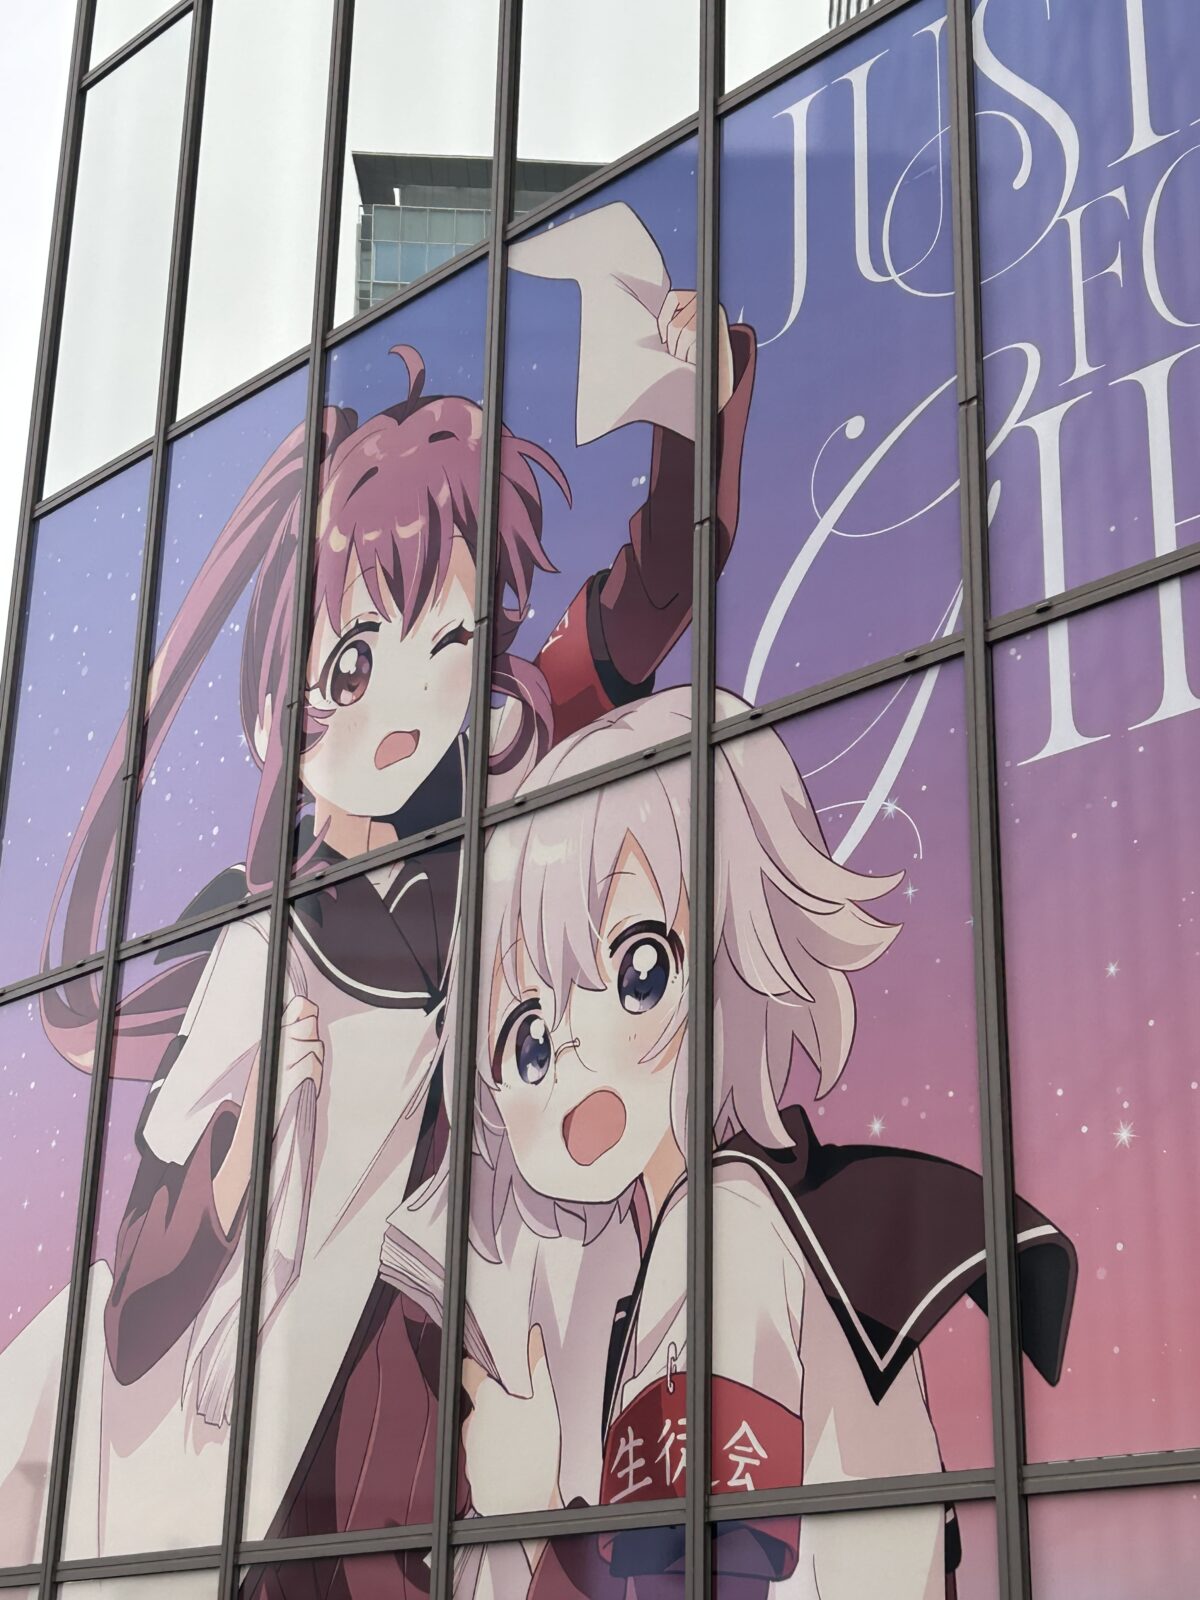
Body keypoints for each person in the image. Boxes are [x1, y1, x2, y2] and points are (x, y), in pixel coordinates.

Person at [0, 202, 756, 1571]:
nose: (407, 704)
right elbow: (140, 1299)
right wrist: (238, 1162)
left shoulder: (508, 765)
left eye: (448, 642)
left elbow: (651, 596)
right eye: (356, 661)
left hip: (458, 1340)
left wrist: (686, 415)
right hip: (274, 1401)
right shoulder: (253, 938)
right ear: (277, 696)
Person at [453, 688, 1077, 1599]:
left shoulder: (729, 1226)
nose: (576, 1049)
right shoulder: (745, 1217)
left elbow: (694, 1576)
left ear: (739, 942)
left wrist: (528, 1507)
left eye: (638, 971)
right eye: (530, 1040)